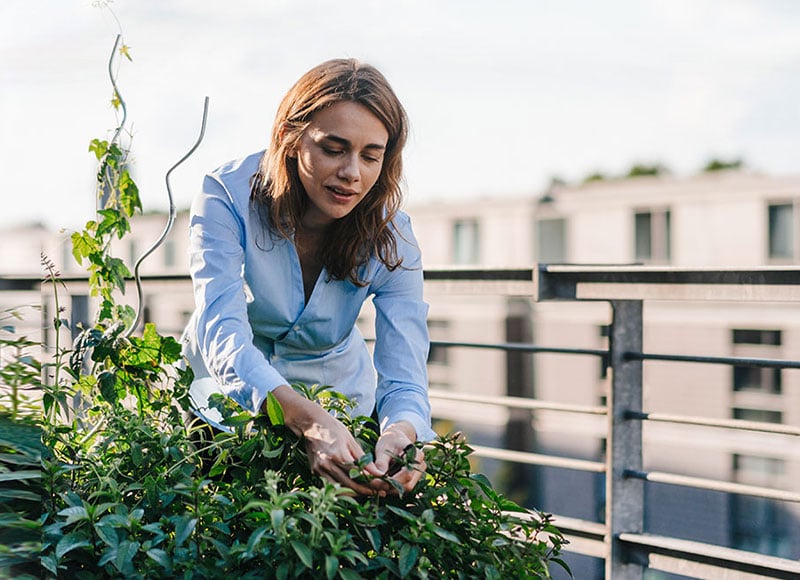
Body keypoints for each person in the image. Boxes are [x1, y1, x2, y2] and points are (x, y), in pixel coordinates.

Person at [181, 58, 436, 497]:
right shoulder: (225, 195)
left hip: (341, 408)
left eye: (370, 156)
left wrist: (402, 431)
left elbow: (405, 369)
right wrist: (307, 419)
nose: (352, 172)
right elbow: (223, 331)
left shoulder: (393, 234)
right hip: (225, 404)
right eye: (333, 149)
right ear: (290, 138)